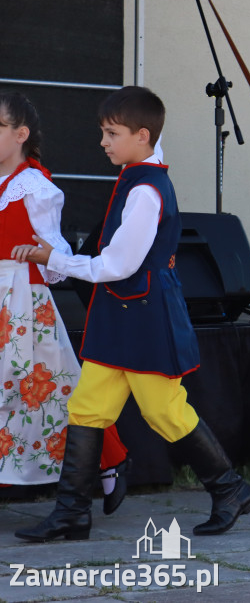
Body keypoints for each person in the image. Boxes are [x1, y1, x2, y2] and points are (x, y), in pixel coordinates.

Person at [12, 86, 250, 542]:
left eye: (112, 133)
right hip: (119, 315)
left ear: (142, 136)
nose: (103, 141)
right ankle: (72, 513)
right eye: (103, 132)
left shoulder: (146, 188)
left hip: (145, 317)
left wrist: (54, 259)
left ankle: (230, 490)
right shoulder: (136, 173)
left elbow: (118, 265)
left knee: (164, 410)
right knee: (86, 408)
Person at [0, 91, 131, 514]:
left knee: (60, 389)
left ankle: (112, 460)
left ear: (21, 134)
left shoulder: (37, 188)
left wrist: (36, 252)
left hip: (23, 300)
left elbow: (54, 258)